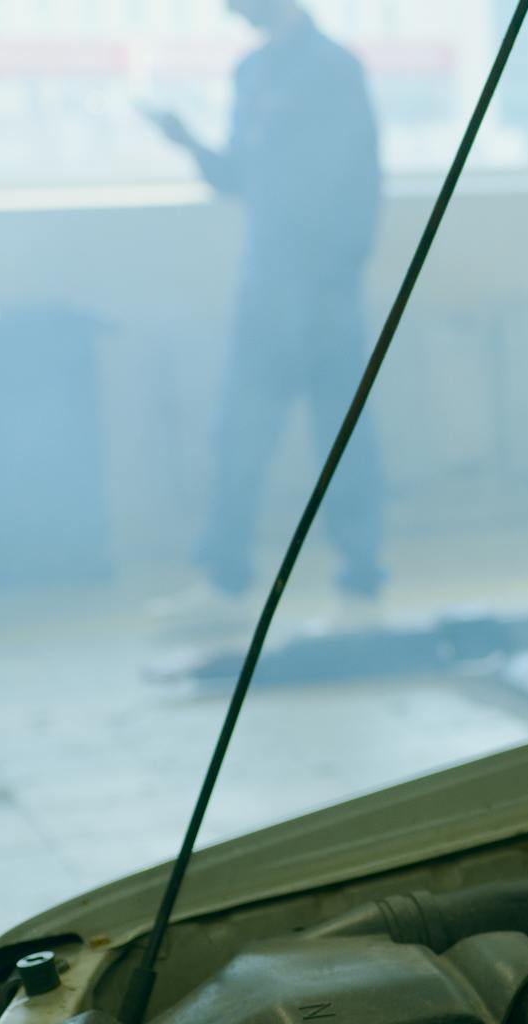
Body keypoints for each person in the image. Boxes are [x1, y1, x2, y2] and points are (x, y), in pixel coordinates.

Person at [147, 0, 386, 625]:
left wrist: (335, 276)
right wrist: (187, 141)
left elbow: (360, 181)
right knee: (239, 436)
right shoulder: (251, 72)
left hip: (324, 288)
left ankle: (360, 590)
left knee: (341, 439)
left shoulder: (334, 69)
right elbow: (239, 178)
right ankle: (225, 586)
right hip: (267, 285)